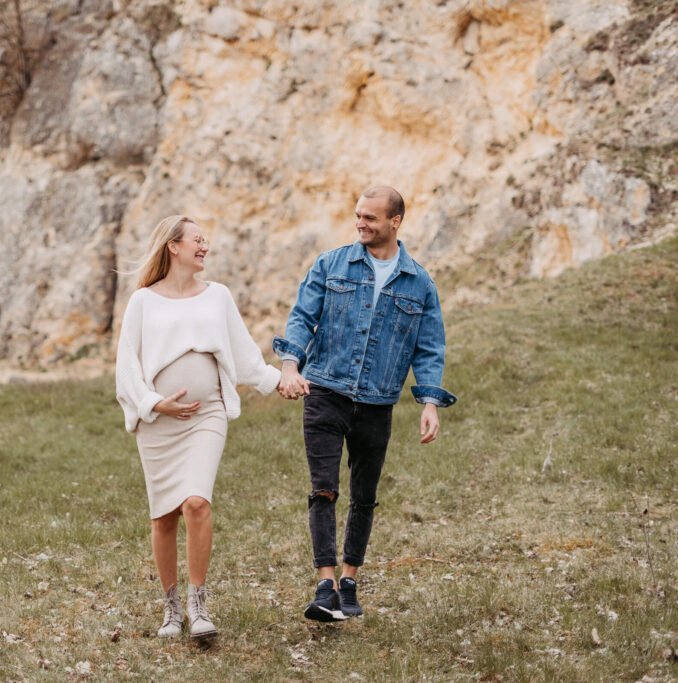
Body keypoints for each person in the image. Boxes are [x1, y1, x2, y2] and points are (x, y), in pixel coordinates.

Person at [273, 186, 457, 622]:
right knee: (323, 489)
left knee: (364, 495)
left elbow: (429, 349)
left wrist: (429, 402)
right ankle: (325, 584)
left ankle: (350, 579)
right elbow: (302, 317)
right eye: (358, 215)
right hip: (325, 392)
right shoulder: (330, 263)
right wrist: (289, 364)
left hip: (377, 402)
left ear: (395, 222)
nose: (361, 223)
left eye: (370, 218)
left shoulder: (419, 282)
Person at [116, 215, 282, 640]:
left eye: (206, 239)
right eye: (197, 240)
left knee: (196, 502)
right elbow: (127, 369)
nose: (204, 245)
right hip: (158, 423)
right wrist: (156, 404)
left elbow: (245, 356)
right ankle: (171, 609)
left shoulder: (219, 297)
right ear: (173, 246)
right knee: (164, 516)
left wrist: (278, 381)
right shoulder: (143, 301)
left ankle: (198, 604)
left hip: (206, 415)